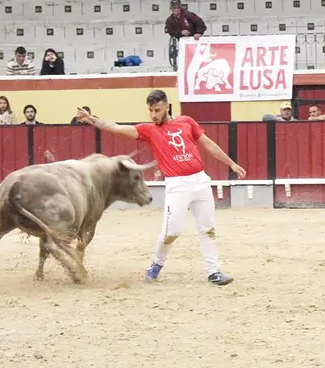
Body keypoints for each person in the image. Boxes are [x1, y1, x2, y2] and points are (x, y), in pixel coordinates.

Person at [74, 89, 245, 286]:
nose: (153, 115)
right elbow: (116, 127)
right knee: (171, 232)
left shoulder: (187, 122)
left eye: (157, 110)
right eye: (150, 111)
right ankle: (156, 263)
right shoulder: (148, 130)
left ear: (167, 107)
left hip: (200, 181)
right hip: (177, 185)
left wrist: (231, 163)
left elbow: (208, 144)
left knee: (208, 229)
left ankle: (213, 271)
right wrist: (91, 119)